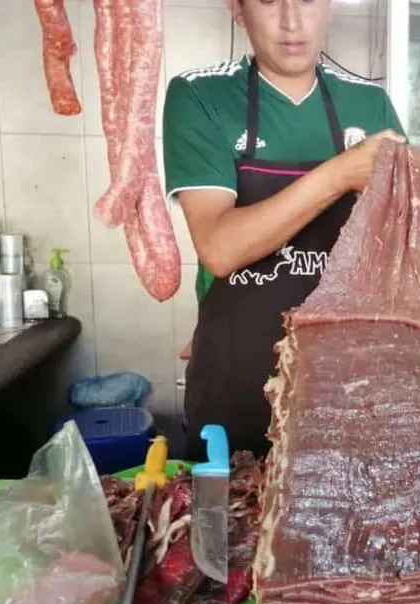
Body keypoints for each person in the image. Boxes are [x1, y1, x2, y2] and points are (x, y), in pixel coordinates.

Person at [162, 0, 406, 460]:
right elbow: (218, 246)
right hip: (237, 381)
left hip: (345, 389)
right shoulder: (200, 96)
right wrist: (339, 175)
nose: (292, 21)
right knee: (235, 523)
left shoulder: (370, 105)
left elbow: (402, 249)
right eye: (270, 1)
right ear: (237, 9)